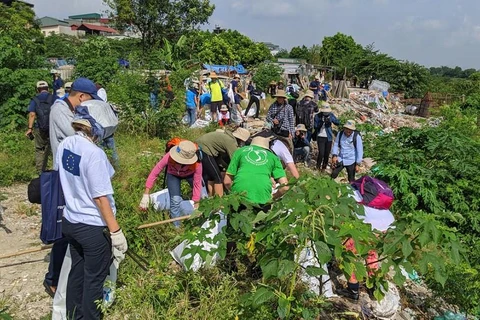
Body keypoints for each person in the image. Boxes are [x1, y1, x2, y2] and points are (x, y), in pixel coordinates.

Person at [56, 115, 127, 319]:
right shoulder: (94, 153)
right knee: (94, 280)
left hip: (71, 220)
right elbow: (100, 198)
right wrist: (116, 232)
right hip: (92, 226)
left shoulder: (66, 143)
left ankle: (73, 316)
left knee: (76, 274)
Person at [46, 77, 102, 297]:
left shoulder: (69, 110)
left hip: (75, 174)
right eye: (89, 101)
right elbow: (78, 136)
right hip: (65, 175)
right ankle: (52, 278)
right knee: (62, 227)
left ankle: (67, 276)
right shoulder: (60, 110)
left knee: (74, 225)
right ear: (81, 96)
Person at [139, 141, 203, 227]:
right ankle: (176, 227)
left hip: (190, 175)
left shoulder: (197, 164)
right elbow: (155, 172)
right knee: (175, 200)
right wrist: (146, 193)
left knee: (202, 195)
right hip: (173, 175)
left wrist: (196, 203)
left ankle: (200, 223)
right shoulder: (169, 156)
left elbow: (197, 183)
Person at [224, 136, 289, 208]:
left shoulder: (240, 151)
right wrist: (273, 197)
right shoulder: (274, 158)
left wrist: (234, 193)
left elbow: (227, 182)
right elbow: (285, 187)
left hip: (239, 197)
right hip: (263, 196)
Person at [196, 128, 251, 197]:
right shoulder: (231, 142)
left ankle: (211, 197)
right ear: (241, 140)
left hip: (202, 147)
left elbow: (220, 159)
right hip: (205, 149)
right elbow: (235, 160)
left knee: (212, 176)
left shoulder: (226, 137)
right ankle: (220, 201)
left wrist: (226, 168)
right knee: (217, 178)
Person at [25, 80, 55, 173]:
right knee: (55, 147)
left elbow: (32, 114)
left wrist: (30, 128)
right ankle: (56, 170)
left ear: (37, 90)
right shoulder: (54, 98)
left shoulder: (35, 99)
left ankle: (40, 172)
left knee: (40, 149)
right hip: (53, 128)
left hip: (39, 128)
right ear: (48, 89)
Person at [313, 103, 340, 172]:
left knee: (327, 153)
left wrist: (330, 120)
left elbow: (337, 122)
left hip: (329, 137)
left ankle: (323, 168)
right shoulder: (317, 116)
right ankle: (318, 166)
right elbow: (315, 126)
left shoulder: (330, 115)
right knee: (321, 153)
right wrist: (321, 122)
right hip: (320, 136)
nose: (326, 113)